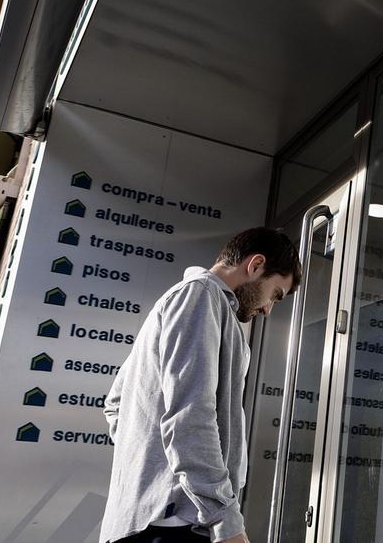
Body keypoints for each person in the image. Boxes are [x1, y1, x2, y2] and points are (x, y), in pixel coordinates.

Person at [100, 228, 302, 543]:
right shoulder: (200, 298)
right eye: (275, 294)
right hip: (171, 526)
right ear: (256, 265)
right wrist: (225, 520)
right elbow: (191, 418)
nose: (267, 309)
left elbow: (117, 404)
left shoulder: (188, 300)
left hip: (159, 522)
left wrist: (152, 461)